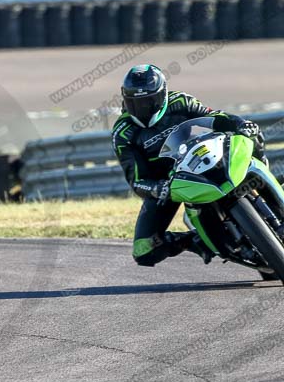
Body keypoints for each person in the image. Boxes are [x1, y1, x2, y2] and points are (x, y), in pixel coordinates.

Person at [112, 64, 266, 267]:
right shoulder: (123, 133)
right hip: (169, 184)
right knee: (144, 250)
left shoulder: (180, 101)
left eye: (149, 101)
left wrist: (239, 124)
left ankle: (266, 190)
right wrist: (157, 188)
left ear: (163, 94)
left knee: (253, 137)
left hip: (203, 158)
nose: (142, 108)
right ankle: (196, 240)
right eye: (135, 103)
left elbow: (214, 118)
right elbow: (136, 180)